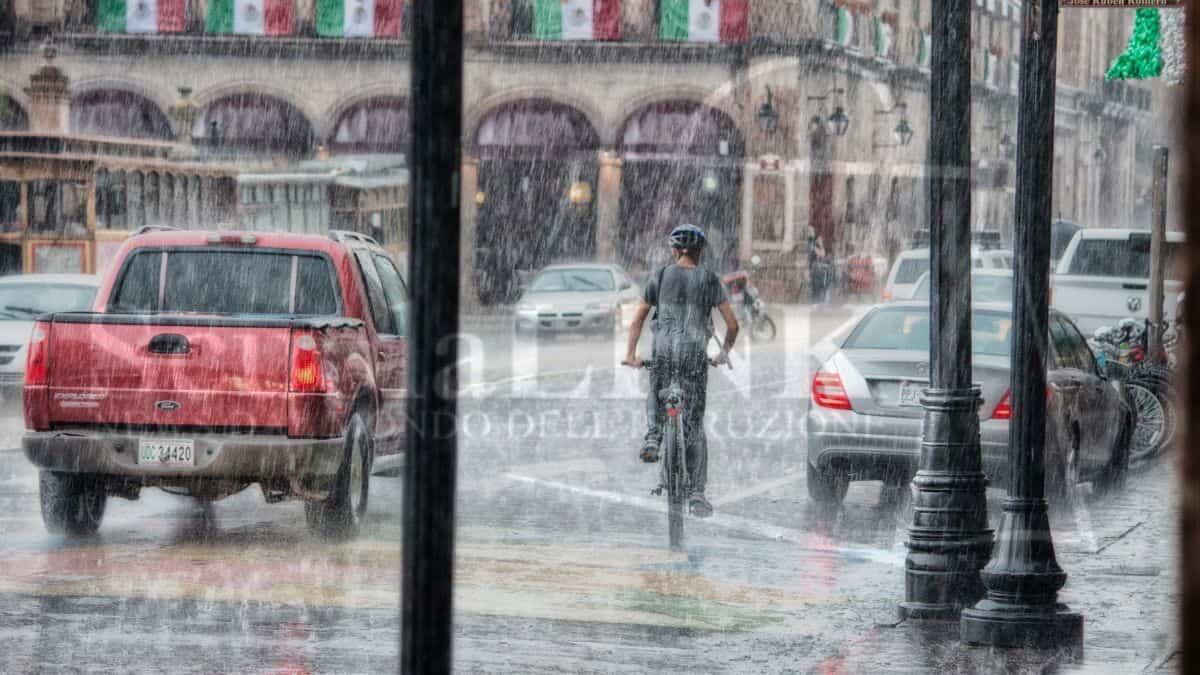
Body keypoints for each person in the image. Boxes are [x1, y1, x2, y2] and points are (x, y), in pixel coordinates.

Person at [622, 224, 739, 519]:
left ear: (674, 251)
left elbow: (637, 320)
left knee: (656, 390)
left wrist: (630, 354)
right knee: (695, 425)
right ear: (700, 252)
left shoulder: (660, 276)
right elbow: (733, 324)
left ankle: (653, 436)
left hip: (663, 352)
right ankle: (697, 492)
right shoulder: (710, 280)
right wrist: (723, 353)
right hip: (693, 357)